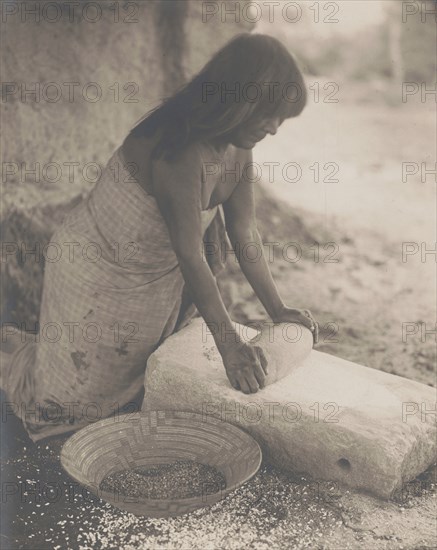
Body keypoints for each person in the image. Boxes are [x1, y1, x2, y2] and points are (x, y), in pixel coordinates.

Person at [1, 33, 318, 443]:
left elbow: (244, 231)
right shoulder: (180, 151)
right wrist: (231, 348)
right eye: (269, 115)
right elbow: (190, 256)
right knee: (67, 404)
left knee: (131, 387)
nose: (274, 129)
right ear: (239, 100)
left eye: (281, 119)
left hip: (150, 274)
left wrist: (279, 310)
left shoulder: (238, 145)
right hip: (97, 271)